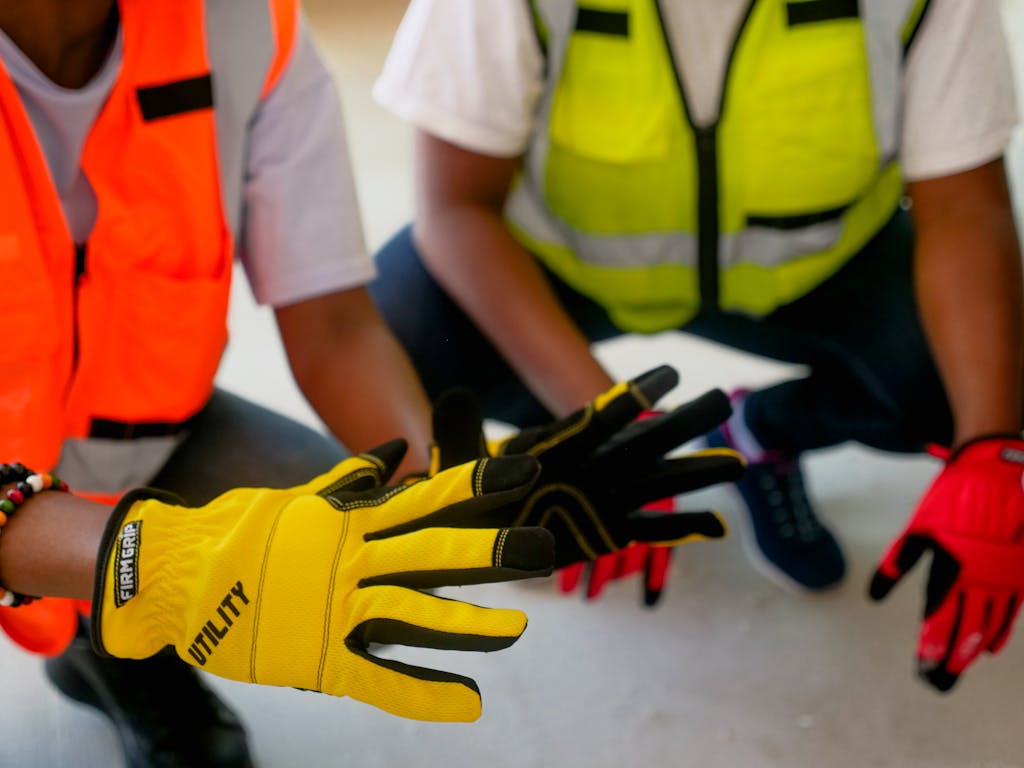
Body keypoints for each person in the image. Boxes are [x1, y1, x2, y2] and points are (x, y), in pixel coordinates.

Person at [0, 2, 743, 765]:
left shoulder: (241, 26)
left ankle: (110, 648)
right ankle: (107, 592)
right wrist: (146, 560)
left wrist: (449, 492)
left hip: (143, 436)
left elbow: (335, 325)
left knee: (372, 552)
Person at [369, 0, 1024, 691]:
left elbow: (965, 206)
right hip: (571, 265)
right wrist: (607, 428)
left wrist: (993, 449)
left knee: (996, 366)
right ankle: (567, 450)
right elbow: (455, 210)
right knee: (399, 335)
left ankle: (761, 434)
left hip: (808, 268)